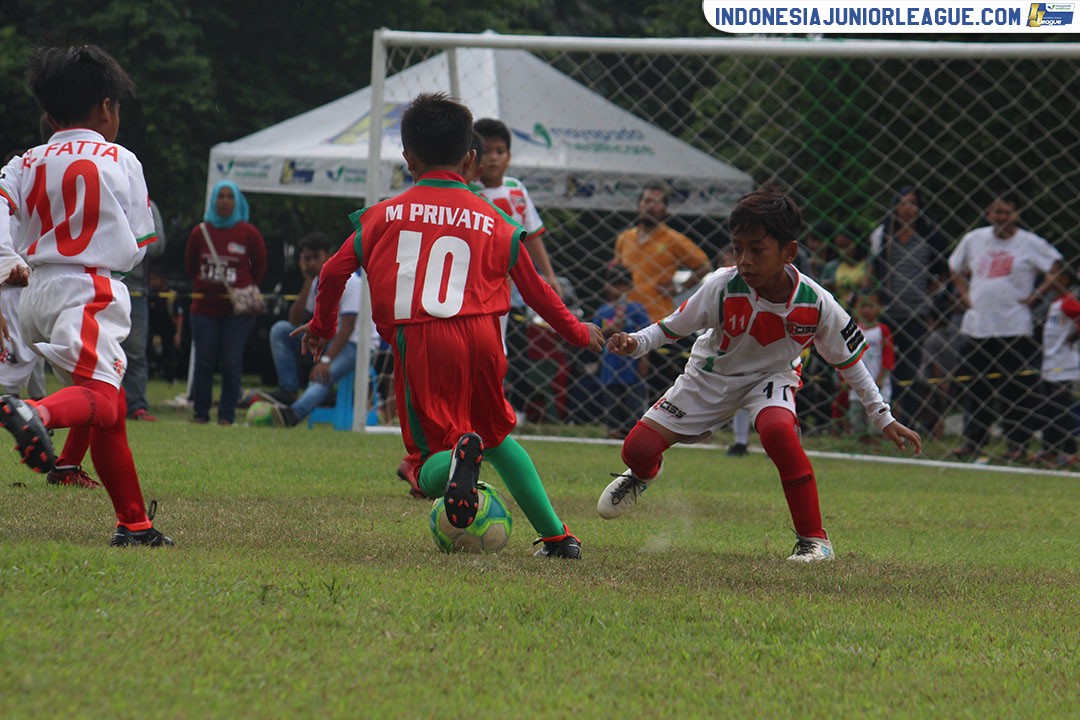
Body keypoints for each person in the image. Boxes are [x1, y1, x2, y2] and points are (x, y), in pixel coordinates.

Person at [294, 92, 604, 558]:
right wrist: (579, 332)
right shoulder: (495, 219)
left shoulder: (382, 215)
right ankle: (559, 537)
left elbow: (334, 272)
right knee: (496, 437)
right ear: (471, 158)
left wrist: (321, 324)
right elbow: (537, 290)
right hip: (482, 337)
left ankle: (457, 461)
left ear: (408, 158)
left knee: (422, 464)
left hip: (420, 338)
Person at [596, 189, 921, 562]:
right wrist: (633, 342)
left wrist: (882, 415)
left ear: (789, 252)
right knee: (635, 449)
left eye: (757, 249)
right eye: (738, 249)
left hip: (771, 377)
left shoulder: (816, 303)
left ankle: (815, 540)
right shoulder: (721, 285)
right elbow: (671, 328)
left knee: (779, 432)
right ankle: (644, 472)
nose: (745, 260)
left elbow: (849, 362)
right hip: (709, 377)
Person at [0, 44, 172, 545]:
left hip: (35, 291)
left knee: (110, 409)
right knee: (100, 398)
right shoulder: (120, 158)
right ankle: (38, 413)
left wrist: (9, 259)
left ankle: (135, 524)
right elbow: (142, 241)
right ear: (105, 107)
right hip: (90, 287)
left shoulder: (26, 160)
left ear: (49, 114)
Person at [947, 192, 1063, 461]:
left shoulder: (1029, 243)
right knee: (977, 388)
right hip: (978, 327)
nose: (1001, 218)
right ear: (989, 214)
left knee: (1016, 391)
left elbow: (1056, 267)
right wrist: (965, 296)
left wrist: (1037, 295)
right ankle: (974, 442)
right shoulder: (974, 239)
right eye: (996, 212)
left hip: (1014, 327)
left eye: (1006, 213)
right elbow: (954, 267)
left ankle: (1017, 443)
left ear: (1016, 214)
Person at [472, 118, 561, 423]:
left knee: (500, 345)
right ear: (473, 154)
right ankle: (480, 408)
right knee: (480, 345)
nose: (494, 157)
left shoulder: (517, 190)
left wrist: (548, 275)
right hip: (475, 284)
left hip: (508, 285)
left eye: (500, 150)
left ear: (509, 156)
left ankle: (492, 409)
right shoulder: (469, 192)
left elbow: (532, 234)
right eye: (487, 150)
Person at [614, 181, 712, 397]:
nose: (651, 206)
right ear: (639, 204)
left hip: (658, 317)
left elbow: (704, 265)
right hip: (629, 316)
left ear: (664, 210)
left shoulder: (672, 239)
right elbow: (617, 273)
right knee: (625, 379)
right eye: (647, 200)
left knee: (659, 379)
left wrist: (678, 287)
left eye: (657, 203)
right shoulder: (625, 238)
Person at [184, 180, 267, 425]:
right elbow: (191, 266)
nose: (225, 201)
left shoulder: (248, 233)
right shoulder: (201, 232)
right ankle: (200, 413)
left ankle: (227, 415)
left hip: (237, 311)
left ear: (238, 201)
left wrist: (240, 288)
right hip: (204, 309)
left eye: (230, 196)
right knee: (204, 362)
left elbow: (259, 267)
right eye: (220, 196)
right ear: (213, 201)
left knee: (231, 361)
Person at [868, 186, 949, 428]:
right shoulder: (883, 235)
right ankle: (886, 417)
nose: (907, 208)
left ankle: (909, 419)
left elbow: (944, 271)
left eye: (912, 203)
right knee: (887, 363)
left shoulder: (929, 236)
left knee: (912, 366)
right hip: (888, 310)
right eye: (902, 203)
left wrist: (928, 293)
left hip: (917, 311)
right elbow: (873, 269)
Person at [263, 231, 363, 428]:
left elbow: (348, 329)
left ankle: (293, 414)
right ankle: (288, 390)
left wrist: (326, 361)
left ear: (329, 255)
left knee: (322, 374)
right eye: (306, 258)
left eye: (316, 258)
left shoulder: (350, 281)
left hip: (354, 343)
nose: (311, 264)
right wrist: (308, 281)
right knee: (281, 330)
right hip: (327, 340)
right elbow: (295, 319)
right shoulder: (317, 282)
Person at [120, 199, 167, 421]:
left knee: (136, 350)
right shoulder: (103, 193)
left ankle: (137, 405)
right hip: (102, 282)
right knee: (101, 347)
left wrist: (126, 238)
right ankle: (105, 402)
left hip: (136, 290)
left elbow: (158, 244)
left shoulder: (147, 203)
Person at [594, 265, 650, 439]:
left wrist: (644, 360)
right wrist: (611, 329)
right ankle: (613, 430)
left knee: (634, 399)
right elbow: (597, 336)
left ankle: (634, 431)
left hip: (632, 364)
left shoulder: (637, 310)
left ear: (631, 287)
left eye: (624, 286)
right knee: (612, 398)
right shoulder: (603, 311)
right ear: (607, 286)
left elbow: (646, 335)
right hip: (610, 363)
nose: (620, 290)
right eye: (616, 285)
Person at [1032, 269, 1079, 467]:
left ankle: (1070, 452)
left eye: (1053, 276)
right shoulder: (1055, 303)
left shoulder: (1068, 302)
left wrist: (1074, 337)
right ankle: (1050, 450)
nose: (1048, 279)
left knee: (1062, 410)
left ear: (1065, 279)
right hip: (1050, 364)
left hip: (1063, 366)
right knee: (1049, 410)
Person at [844, 290, 895, 446]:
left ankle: (877, 445)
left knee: (877, 419)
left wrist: (881, 376)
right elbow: (845, 355)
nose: (866, 310)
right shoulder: (853, 330)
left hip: (878, 384)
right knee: (858, 417)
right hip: (856, 384)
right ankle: (862, 445)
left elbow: (888, 356)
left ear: (879, 308)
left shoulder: (882, 330)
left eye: (870, 305)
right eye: (862, 306)